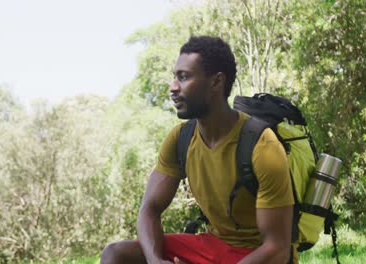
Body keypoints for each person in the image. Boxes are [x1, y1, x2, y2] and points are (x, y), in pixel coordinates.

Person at [101, 36, 294, 264]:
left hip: (256, 255)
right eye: (175, 77)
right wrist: (155, 261)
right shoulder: (180, 138)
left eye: (184, 77)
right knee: (116, 255)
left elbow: (278, 248)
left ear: (216, 82)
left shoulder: (263, 146)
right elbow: (149, 209)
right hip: (212, 246)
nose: (173, 87)